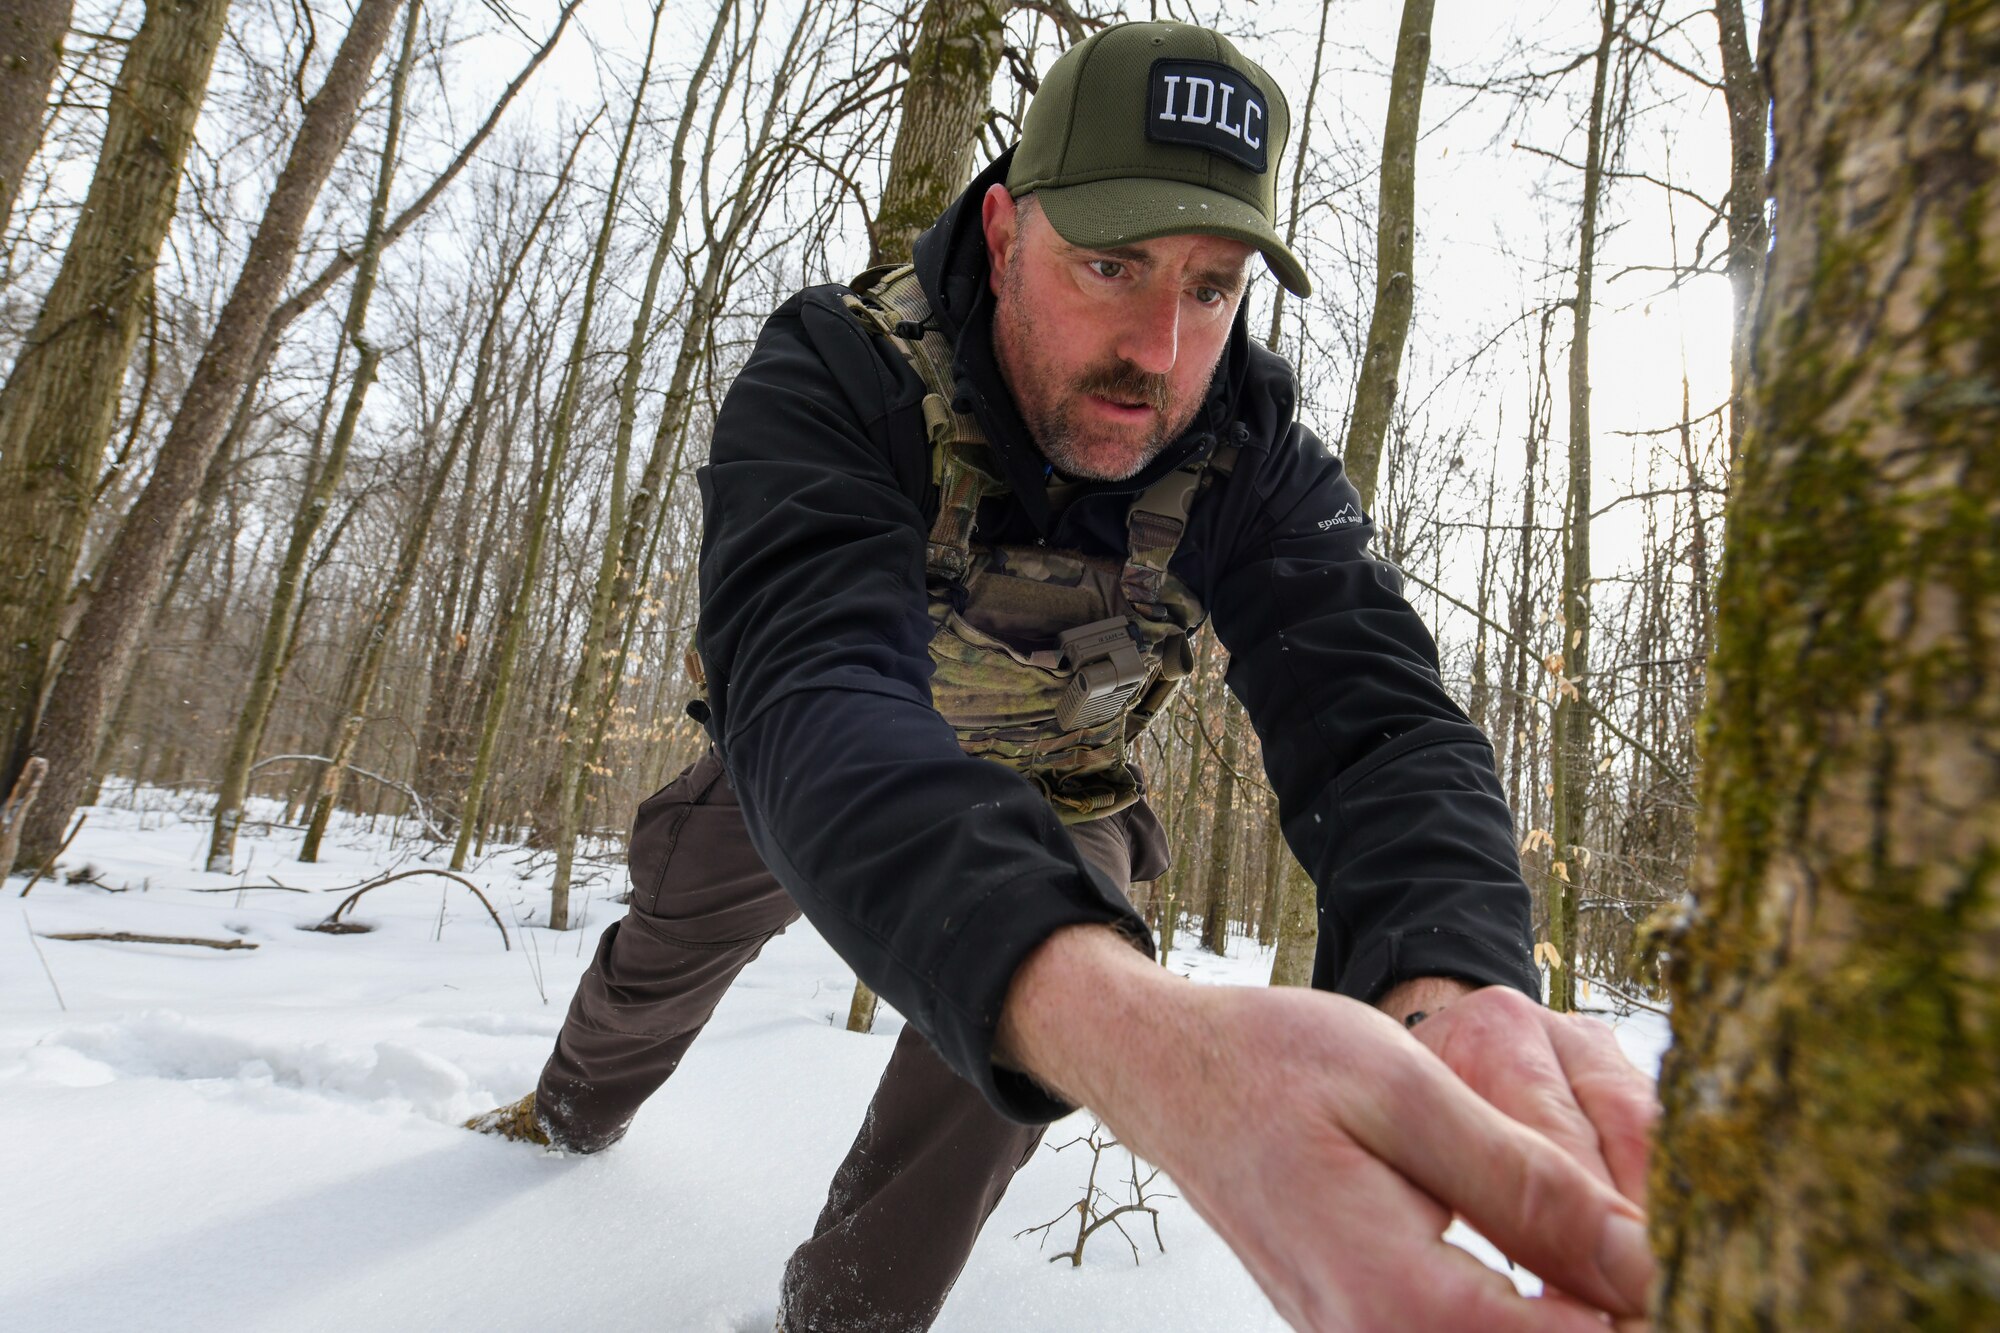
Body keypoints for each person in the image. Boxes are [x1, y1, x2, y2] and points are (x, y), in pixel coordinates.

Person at [470, 21, 1659, 1332]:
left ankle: (847, 1321)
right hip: (819, 771)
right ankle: (569, 1110)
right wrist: (1141, 1040)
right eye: (1112, 262)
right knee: (666, 938)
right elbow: (808, 683)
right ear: (1000, 234)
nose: (1158, 347)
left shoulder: (1250, 459)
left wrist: (1455, 998)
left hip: (1060, 787)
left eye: (1210, 287)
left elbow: (1381, 728)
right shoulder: (841, 371)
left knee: (1010, 1056)